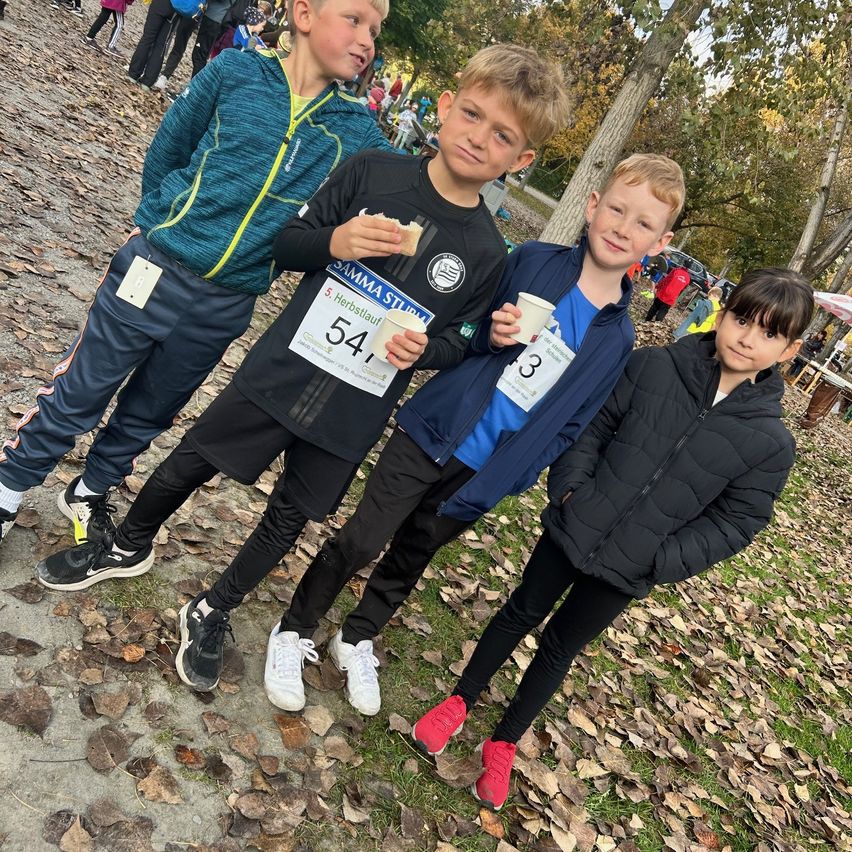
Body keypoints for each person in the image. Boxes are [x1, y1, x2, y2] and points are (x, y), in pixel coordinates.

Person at [35, 45, 567, 717]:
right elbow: (287, 244)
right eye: (472, 114)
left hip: (353, 411)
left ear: (520, 161)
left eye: (502, 137)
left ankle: (214, 606)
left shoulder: (490, 252)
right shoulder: (372, 171)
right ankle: (127, 541)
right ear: (445, 105)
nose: (477, 138)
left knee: (290, 515)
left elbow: (462, 340)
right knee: (193, 459)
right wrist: (335, 244)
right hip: (283, 370)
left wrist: (424, 349)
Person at [273, 153, 683, 716]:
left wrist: (522, 471)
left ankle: (357, 636)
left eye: (643, 223)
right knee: (365, 537)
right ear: (592, 206)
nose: (623, 227)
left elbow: (575, 422)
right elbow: (462, 328)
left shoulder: (618, 338)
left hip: (485, 468)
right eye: (617, 208)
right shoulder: (532, 261)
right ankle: (295, 626)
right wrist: (489, 335)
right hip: (434, 428)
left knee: (413, 554)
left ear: (659, 244)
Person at [411, 268, 813, 812]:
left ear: (788, 350)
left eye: (768, 333)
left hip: (632, 565)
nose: (747, 338)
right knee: (520, 612)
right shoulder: (654, 366)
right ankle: (460, 699)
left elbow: (737, 521)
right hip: (575, 523)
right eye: (742, 319)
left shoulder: (770, 443)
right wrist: (572, 491)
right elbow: (593, 428)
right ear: (725, 314)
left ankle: (504, 739)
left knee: (559, 648)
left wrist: (662, 558)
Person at [0, 0, 391, 550]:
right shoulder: (233, 72)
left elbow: (417, 188)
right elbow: (169, 149)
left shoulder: (356, 133)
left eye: (374, 30)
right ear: (303, 14)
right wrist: (158, 227)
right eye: (354, 20)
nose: (367, 39)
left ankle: (90, 490)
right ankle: (8, 489)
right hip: (154, 269)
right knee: (81, 389)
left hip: (225, 306)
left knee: (152, 409)